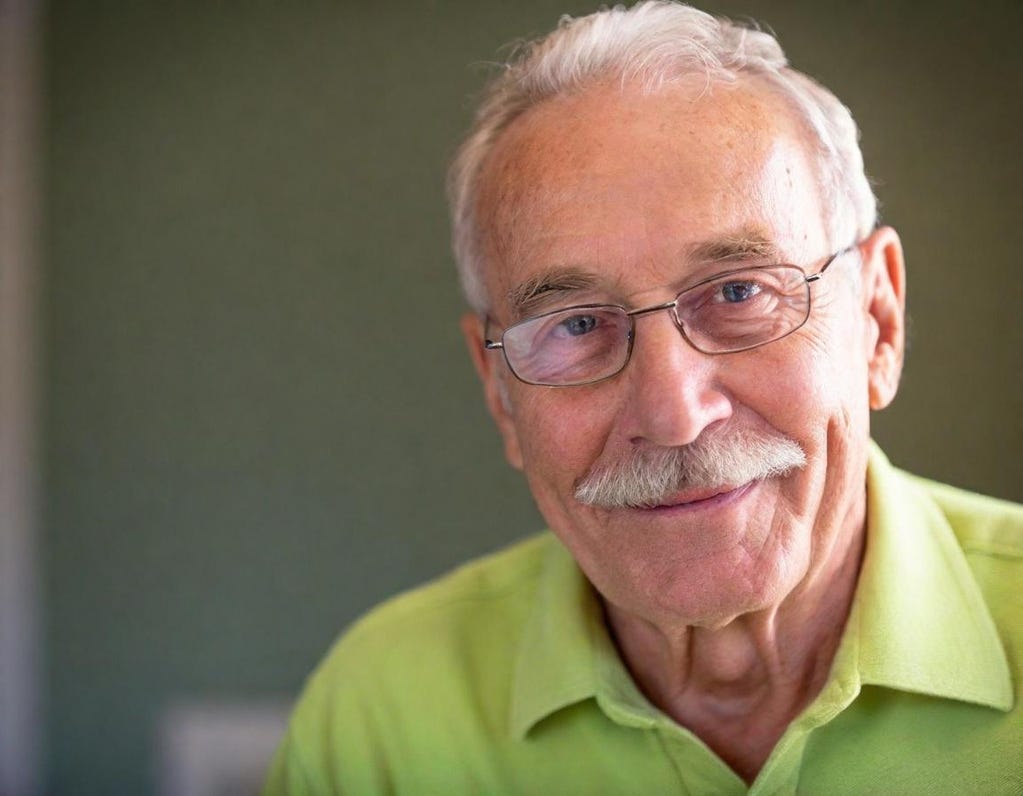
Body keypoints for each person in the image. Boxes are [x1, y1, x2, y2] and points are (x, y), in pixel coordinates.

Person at [264, 2, 1022, 793]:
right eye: (578, 324)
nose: (672, 414)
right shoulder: (379, 717)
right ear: (498, 390)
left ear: (876, 319)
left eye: (736, 293)